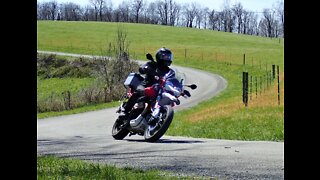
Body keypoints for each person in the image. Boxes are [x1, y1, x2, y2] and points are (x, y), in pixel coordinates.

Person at [120, 47, 175, 117]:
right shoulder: (152, 64)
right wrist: (145, 69)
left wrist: (178, 87)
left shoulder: (170, 72)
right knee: (139, 91)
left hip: (158, 91)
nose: (168, 59)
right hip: (146, 85)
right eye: (166, 57)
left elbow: (173, 80)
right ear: (159, 56)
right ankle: (125, 110)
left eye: (169, 57)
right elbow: (142, 69)